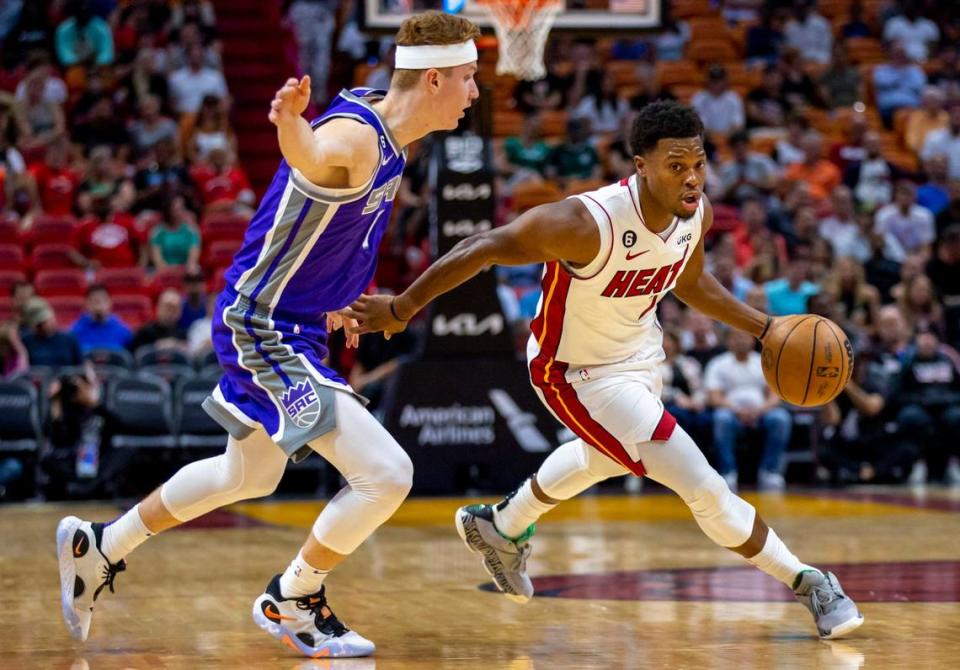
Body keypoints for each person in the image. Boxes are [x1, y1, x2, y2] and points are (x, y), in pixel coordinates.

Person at [345, 101, 864, 639]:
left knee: (603, 459)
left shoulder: (697, 212)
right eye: (676, 166)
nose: (691, 179)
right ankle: (810, 583)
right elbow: (483, 247)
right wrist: (403, 308)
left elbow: (688, 280)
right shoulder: (584, 223)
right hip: (574, 373)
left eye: (699, 164)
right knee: (703, 486)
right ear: (641, 165)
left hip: (641, 358)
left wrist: (763, 327)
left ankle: (501, 525)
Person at [56, 10, 481, 659]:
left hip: (294, 321)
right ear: (433, 81)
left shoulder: (386, 127)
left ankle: (100, 547)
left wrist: (337, 298)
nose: (475, 92)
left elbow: (328, 220)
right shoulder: (354, 139)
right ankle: (295, 597)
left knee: (247, 476)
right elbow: (317, 155)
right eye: (469, 78)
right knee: (387, 474)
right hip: (264, 326)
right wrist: (289, 129)